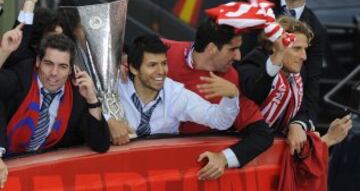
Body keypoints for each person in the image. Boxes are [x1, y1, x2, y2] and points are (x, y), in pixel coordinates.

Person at [164, 18, 273, 180]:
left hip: (190, 172)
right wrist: (123, 67)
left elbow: (262, 134)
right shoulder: (164, 51)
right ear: (212, 48)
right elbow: (127, 57)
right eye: (233, 49)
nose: (238, 56)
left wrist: (223, 158)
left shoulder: (230, 80)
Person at [0, 33, 110, 188]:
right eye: (48, 63)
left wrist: (92, 100)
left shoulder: (76, 95)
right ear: (38, 61)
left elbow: (101, 144)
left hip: (41, 179)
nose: (54, 73)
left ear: (72, 69)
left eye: (62, 66)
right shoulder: (20, 76)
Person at [237, 16, 350, 155]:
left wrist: (296, 124)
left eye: (305, 49)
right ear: (275, 46)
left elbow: (302, 109)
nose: (304, 57)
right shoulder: (256, 62)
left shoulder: (297, 72)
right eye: (297, 49)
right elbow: (254, 91)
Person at [107, 34, 240, 144]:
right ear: (134, 68)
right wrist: (108, 121)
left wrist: (231, 96)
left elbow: (219, 120)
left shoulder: (175, 94)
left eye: (164, 63)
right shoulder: (113, 87)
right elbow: (89, 107)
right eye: (152, 65)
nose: (161, 71)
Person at [259, 0, 327, 123]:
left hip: (286, 111)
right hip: (249, 96)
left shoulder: (317, 29)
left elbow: (311, 80)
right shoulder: (263, 5)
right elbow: (240, 11)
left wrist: (302, 122)